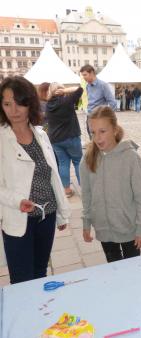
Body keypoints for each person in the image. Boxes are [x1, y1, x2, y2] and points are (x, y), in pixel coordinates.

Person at [0, 76, 70, 284]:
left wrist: (62, 214)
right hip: (18, 217)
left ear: (30, 103)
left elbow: (53, 175)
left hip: (45, 216)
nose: (14, 110)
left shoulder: (41, 133)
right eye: (7, 104)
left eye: (20, 102)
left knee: (40, 274)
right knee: (22, 280)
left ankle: (39, 315)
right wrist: (17, 201)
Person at [80, 105, 141, 262]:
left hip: (129, 229)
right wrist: (86, 222)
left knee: (132, 269)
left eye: (103, 131)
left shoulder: (130, 158)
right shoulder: (87, 160)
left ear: (114, 129)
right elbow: (86, 194)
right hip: (103, 229)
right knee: (113, 267)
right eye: (93, 132)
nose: (98, 138)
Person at [46, 82, 83, 198]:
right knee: (78, 162)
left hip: (56, 139)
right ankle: (84, 187)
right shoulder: (66, 101)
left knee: (63, 164)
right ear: (60, 90)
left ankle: (66, 190)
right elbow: (80, 89)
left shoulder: (48, 104)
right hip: (71, 136)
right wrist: (65, 91)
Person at [80, 65, 116, 138]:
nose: (83, 77)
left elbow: (113, 103)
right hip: (89, 117)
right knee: (93, 141)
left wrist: (107, 118)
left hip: (99, 119)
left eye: (85, 75)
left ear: (92, 73)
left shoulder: (103, 85)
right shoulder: (87, 86)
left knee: (101, 142)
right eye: (82, 75)